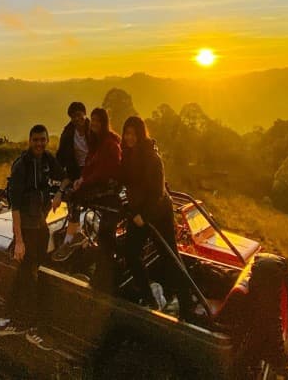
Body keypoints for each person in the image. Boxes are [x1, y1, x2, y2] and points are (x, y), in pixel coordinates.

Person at [0, 124, 70, 351]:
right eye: (36, 140)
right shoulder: (21, 165)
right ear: (29, 140)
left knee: (36, 271)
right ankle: (26, 325)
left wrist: (59, 193)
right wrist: (19, 240)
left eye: (43, 140)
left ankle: (15, 319)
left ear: (47, 140)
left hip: (41, 225)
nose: (39, 144)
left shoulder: (48, 160)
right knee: (28, 275)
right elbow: (15, 207)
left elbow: (64, 178)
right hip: (25, 227)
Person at [120, 115, 191, 316]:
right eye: (126, 133)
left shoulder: (152, 158)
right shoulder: (126, 154)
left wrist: (145, 215)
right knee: (131, 254)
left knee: (169, 255)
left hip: (158, 212)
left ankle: (186, 303)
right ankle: (149, 298)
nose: (129, 137)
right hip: (137, 212)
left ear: (141, 135)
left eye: (133, 134)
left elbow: (159, 192)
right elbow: (124, 181)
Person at [62, 107, 122, 288]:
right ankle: (74, 234)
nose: (94, 124)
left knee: (73, 195)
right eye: (93, 120)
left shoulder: (110, 143)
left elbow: (103, 171)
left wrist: (84, 182)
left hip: (107, 189)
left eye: (98, 121)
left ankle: (72, 236)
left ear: (104, 123)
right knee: (73, 192)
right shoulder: (96, 141)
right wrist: (81, 178)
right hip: (97, 184)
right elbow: (90, 164)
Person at [53, 101, 91, 260]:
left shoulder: (93, 129)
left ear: (84, 113)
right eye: (73, 116)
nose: (77, 118)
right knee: (70, 197)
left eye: (79, 115)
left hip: (92, 170)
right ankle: (74, 234)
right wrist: (54, 172)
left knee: (75, 196)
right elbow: (61, 156)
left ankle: (70, 240)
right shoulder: (68, 133)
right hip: (76, 171)